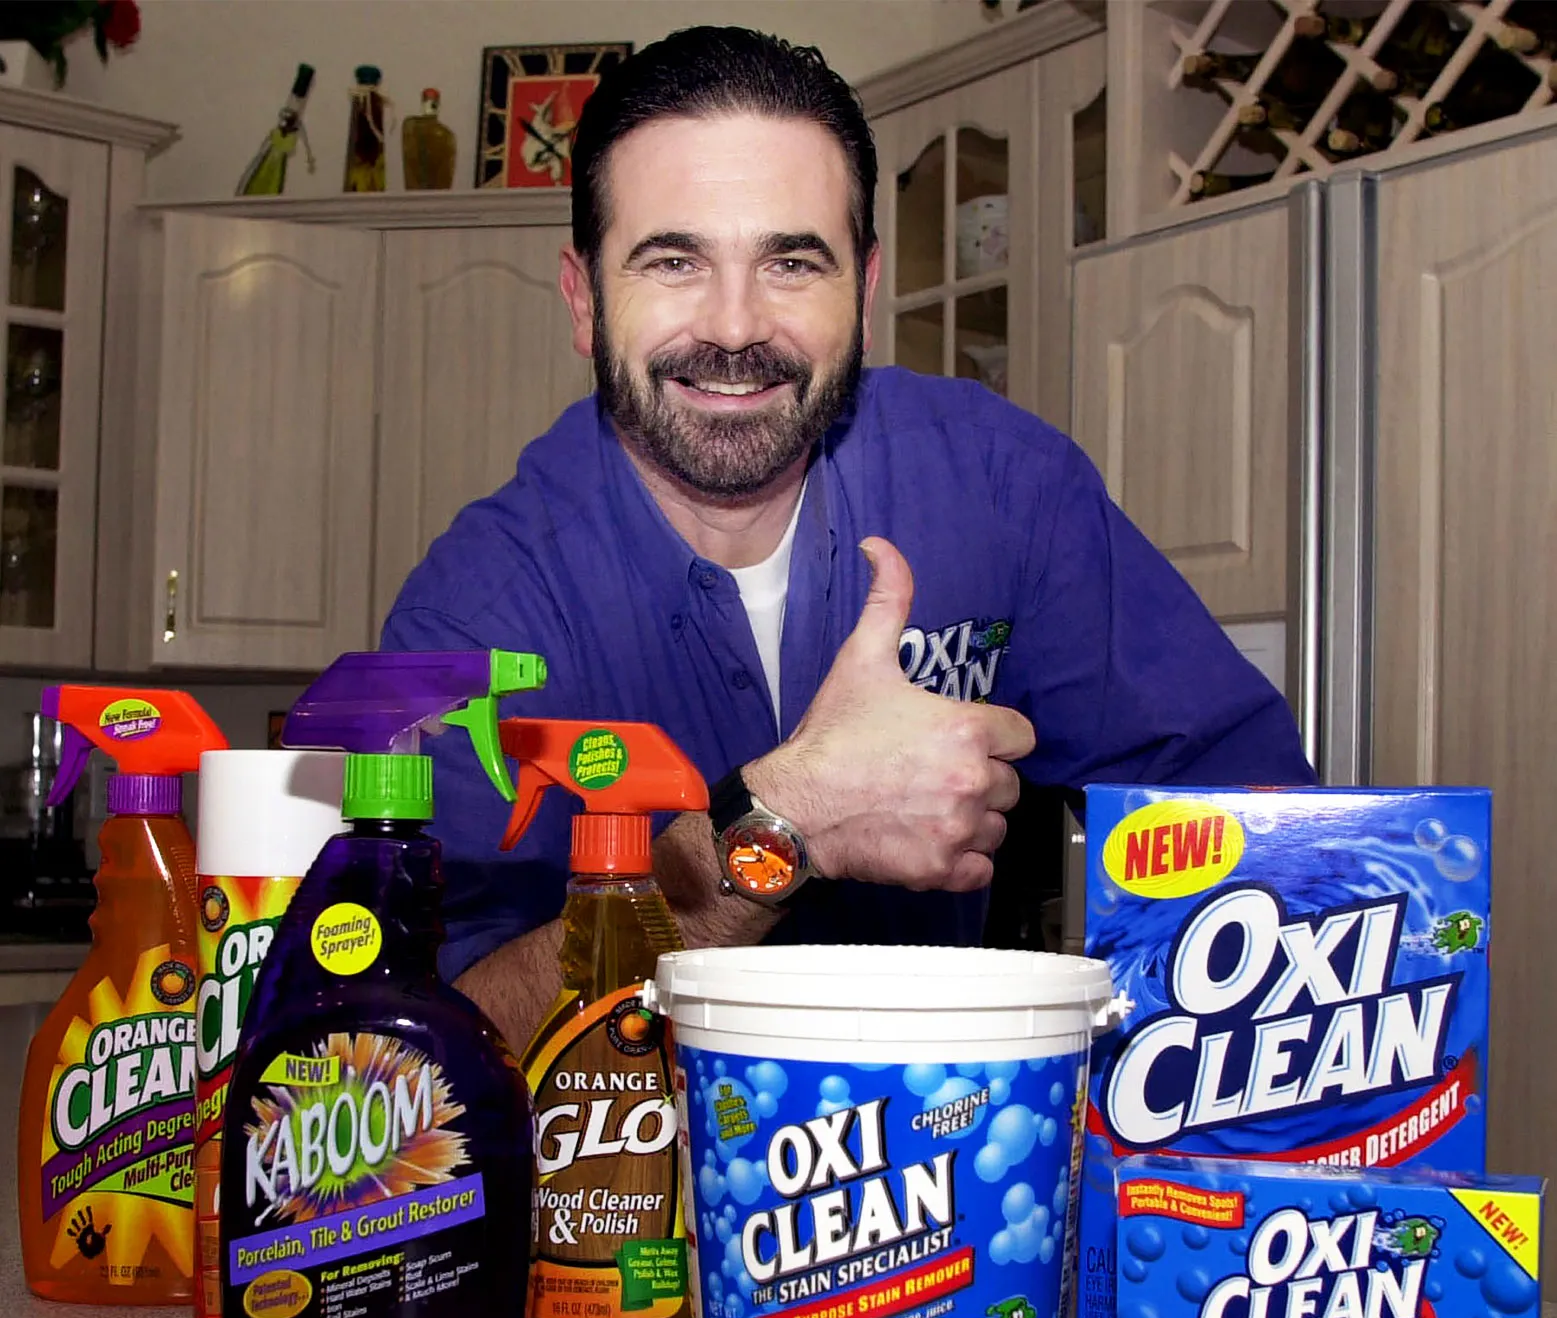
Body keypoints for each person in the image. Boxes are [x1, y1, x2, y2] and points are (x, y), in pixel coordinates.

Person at [381, 26, 1314, 1052]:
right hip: (632, 1158)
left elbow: (1259, 830)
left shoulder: (1001, 487)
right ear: (583, 300)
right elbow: (410, 1058)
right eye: (674, 261)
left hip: (948, 1133)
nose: (734, 326)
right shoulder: (472, 625)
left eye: (791, 262)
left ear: (863, 297)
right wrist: (783, 826)